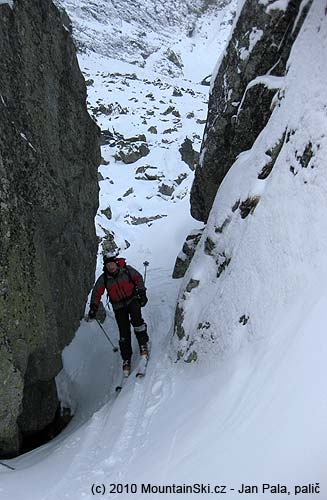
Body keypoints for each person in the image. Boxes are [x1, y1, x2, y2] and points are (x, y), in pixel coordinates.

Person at [88, 252, 149, 376]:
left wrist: (142, 292)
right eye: (108, 265)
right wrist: (94, 307)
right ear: (106, 266)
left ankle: (143, 344)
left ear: (116, 263)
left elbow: (138, 278)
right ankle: (126, 357)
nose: (111, 267)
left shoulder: (126, 270)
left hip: (132, 300)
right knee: (124, 332)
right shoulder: (104, 278)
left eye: (112, 264)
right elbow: (96, 292)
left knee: (137, 322)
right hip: (118, 306)